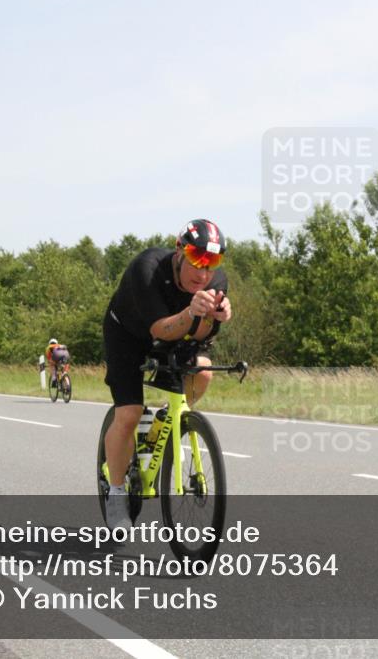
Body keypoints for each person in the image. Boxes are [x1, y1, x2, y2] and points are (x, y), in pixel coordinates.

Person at [102, 219, 232, 530]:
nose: (203, 273)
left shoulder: (216, 282)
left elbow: (198, 334)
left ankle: (167, 420)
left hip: (176, 332)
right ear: (179, 252)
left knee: (203, 373)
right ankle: (116, 493)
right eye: (196, 260)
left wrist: (213, 317)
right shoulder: (146, 269)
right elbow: (161, 329)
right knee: (129, 414)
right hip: (129, 334)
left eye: (211, 263)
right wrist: (191, 311)